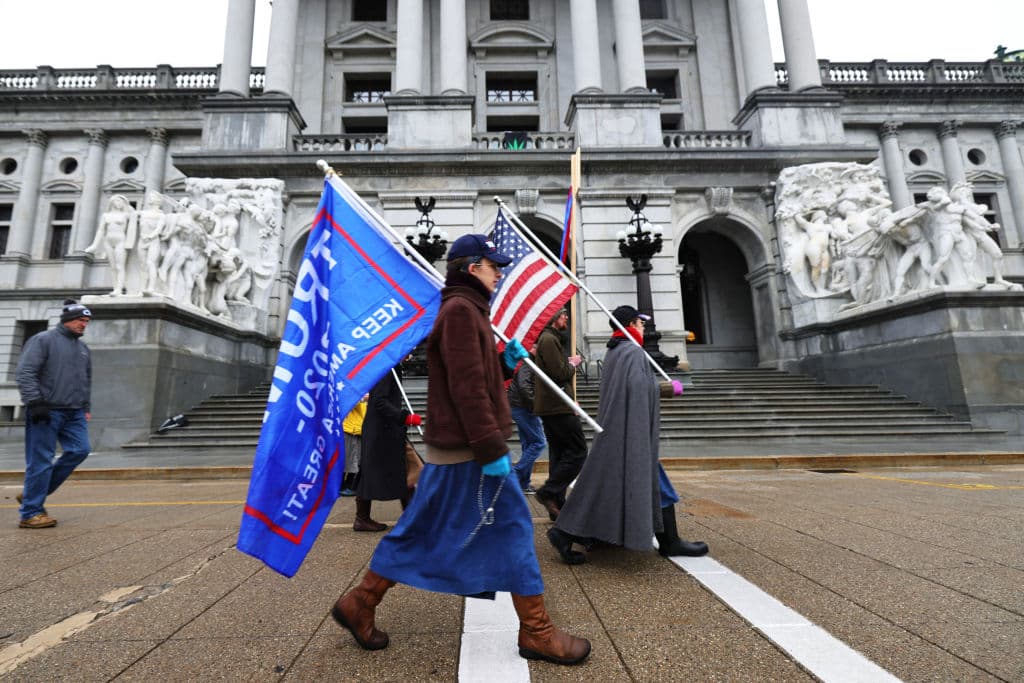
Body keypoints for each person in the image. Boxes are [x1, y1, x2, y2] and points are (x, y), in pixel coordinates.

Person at [331, 233, 590, 666]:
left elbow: (475, 378)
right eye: (494, 265)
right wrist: (492, 450)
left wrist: (503, 364)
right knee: (514, 532)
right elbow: (466, 389)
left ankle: (362, 601)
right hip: (472, 453)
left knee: (419, 532)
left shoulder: (464, 311)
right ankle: (537, 632)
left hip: (459, 451)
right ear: (472, 268)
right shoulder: (460, 312)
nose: (500, 272)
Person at [547, 305, 709, 564]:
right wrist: (667, 389)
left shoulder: (615, 351)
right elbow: (638, 389)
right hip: (628, 433)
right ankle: (669, 542)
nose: (644, 328)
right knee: (645, 483)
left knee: (606, 484)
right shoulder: (632, 352)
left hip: (618, 428)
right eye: (641, 323)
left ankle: (568, 533)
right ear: (631, 324)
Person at [14, 299, 94, 529]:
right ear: (68, 320)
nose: (84, 325)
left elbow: (85, 381)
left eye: (87, 321)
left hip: (74, 412)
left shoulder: (83, 349)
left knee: (80, 450)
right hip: (46, 410)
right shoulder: (43, 340)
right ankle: (30, 513)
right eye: (81, 320)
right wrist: (35, 401)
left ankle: (32, 494)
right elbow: (25, 372)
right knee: (41, 460)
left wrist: (86, 407)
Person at [532, 308, 585, 521]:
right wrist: (572, 364)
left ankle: (556, 502)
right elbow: (559, 373)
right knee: (578, 451)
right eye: (563, 315)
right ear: (554, 318)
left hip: (557, 404)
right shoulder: (548, 339)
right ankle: (549, 492)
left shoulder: (550, 339)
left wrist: (571, 399)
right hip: (556, 406)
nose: (566, 318)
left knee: (560, 454)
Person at [352, 366, 420, 532]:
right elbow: (380, 401)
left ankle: (409, 516)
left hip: (385, 429)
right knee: (391, 469)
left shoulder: (391, 367)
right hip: (382, 431)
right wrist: (404, 416)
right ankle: (363, 518)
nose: (410, 353)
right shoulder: (387, 368)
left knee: (402, 468)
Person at [507, 354, 545, 494]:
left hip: (520, 406)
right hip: (524, 407)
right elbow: (524, 386)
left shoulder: (529, 362)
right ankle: (515, 475)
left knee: (529, 445)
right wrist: (536, 405)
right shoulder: (528, 362)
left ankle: (523, 484)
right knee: (539, 443)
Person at [85, 195, 137, 296]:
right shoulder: (106, 215)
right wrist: (94, 245)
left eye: (122, 201)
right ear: (112, 202)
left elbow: (135, 216)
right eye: (118, 201)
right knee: (113, 267)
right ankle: (115, 288)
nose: (120, 203)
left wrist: (130, 207)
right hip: (108, 241)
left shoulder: (126, 215)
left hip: (121, 241)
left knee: (119, 266)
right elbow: (101, 230)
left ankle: (119, 289)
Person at [340, 395, 369, 497]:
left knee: (357, 461)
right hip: (349, 430)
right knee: (348, 461)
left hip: (358, 431)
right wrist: (363, 398)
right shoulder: (353, 392)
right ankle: (342, 486)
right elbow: (349, 400)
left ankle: (349, 486)